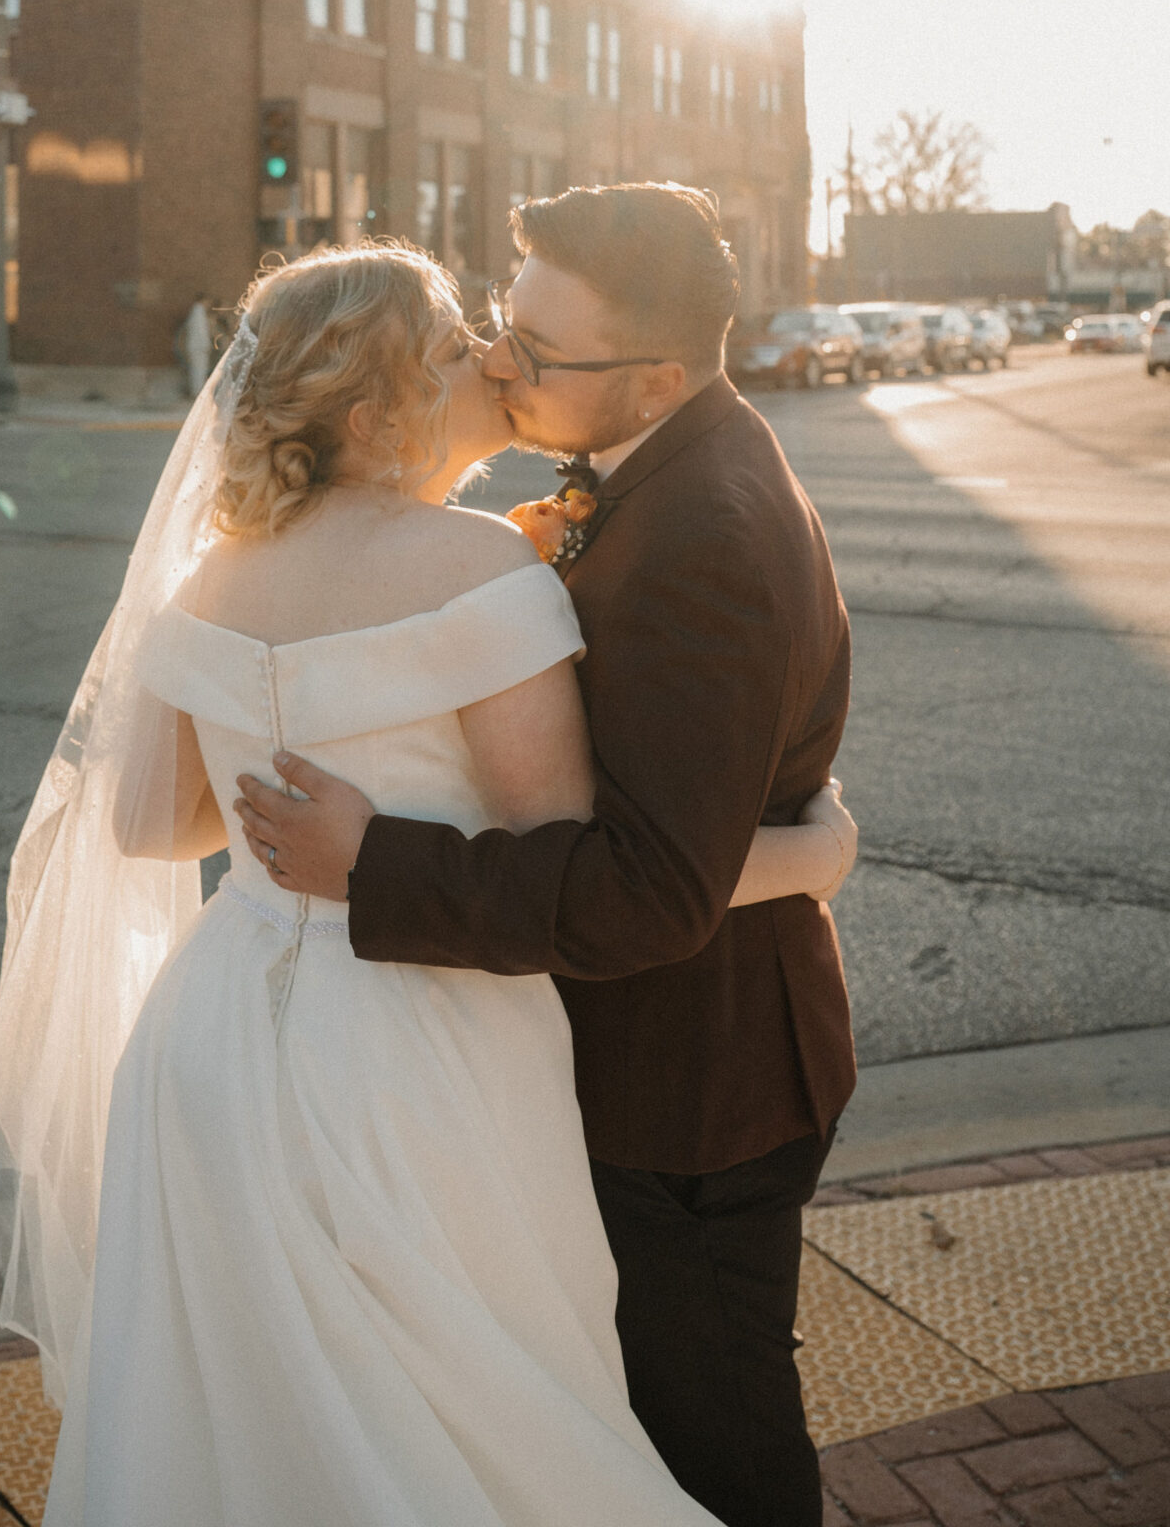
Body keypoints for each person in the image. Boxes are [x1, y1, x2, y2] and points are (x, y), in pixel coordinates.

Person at [0, 239, 854, 1525]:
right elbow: (581, 867)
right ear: (373, 414)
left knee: (240, 1421)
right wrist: (814, 855)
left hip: (206, 1049)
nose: (485, 356)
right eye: (448, 346)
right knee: (477, 1403)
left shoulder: (212, 573)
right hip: (415, 1056)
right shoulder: (481, 569)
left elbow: (150, 825)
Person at [236, 187, 856, 1527]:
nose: (502, 363)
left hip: (695, 1084)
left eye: (537, 350)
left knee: (713, 1445)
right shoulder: (666, 470)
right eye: (503, 327)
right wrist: (802, 847)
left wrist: (370, 862)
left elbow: (649, 890)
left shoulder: (702, 533)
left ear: (656, 377)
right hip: (661, 1054)